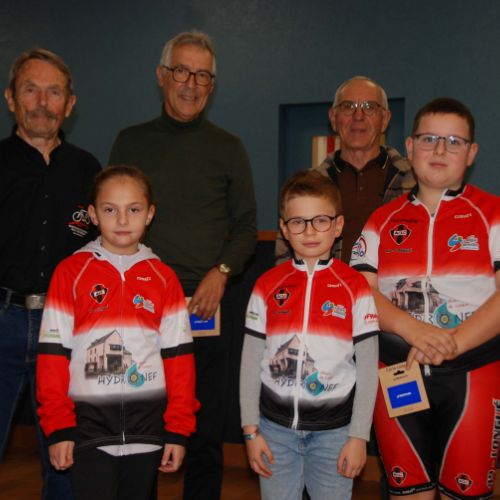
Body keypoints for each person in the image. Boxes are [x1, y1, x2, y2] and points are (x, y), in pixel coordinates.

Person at [108, 31, 257, 499]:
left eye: (203, 75)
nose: (191, 84)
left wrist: (222, 272)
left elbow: (246, 226)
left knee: (205, 427)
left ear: (212, 85)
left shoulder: (229, 147)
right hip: (141, 305)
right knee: (141, 423)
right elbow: (113, 220)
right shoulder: (130, 142)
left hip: (206, 304)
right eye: (182, 71)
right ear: (162, 75)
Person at [351, 98, 500, 499]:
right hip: (397, 371)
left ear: (471, 153)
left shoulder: (493, 213)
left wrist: (452, 342)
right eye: (429, 138)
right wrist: (412, 330)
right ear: (410, 146)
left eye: (454, 141)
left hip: (474, 374)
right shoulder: (381, 220)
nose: (439, 150)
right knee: (409, 490)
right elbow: (362, 292)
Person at [36, 165, 199, 500]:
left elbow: (179, 360)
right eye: (110, 210)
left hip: (147, 431)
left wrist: (178, 429)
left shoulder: (164, 278)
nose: (122, 220)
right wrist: (59, 426)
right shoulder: (70, 273)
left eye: (134, 210)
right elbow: (52, 357)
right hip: (87, 431)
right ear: (93, 214)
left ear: (150, 214)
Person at [240, 170, 379, 499]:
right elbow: (250, 362)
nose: (310, 231)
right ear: (284, 229)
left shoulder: (355, 287)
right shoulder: (267, 285)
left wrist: (358, 436)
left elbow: (368, 367)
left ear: (338, 225)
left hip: (335, 435)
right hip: (274, 432)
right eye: (298, 222)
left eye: (320, 220)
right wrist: (250, 431)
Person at [0, 48, 101, 499]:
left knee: (65, 460)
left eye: (54, 92)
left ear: (70, 104)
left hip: (66, 331)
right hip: (2, 319)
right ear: (10, 99)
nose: (42, 102)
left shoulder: (88, 170)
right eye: (31, 89)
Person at [276, 76, 415, 264]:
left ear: (385, 119)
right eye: (348, 106)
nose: (358, 116)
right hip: (325, 284)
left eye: (369, 107)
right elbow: (284, 259)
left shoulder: (415, 182)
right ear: (333, 118)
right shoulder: (307, 187)